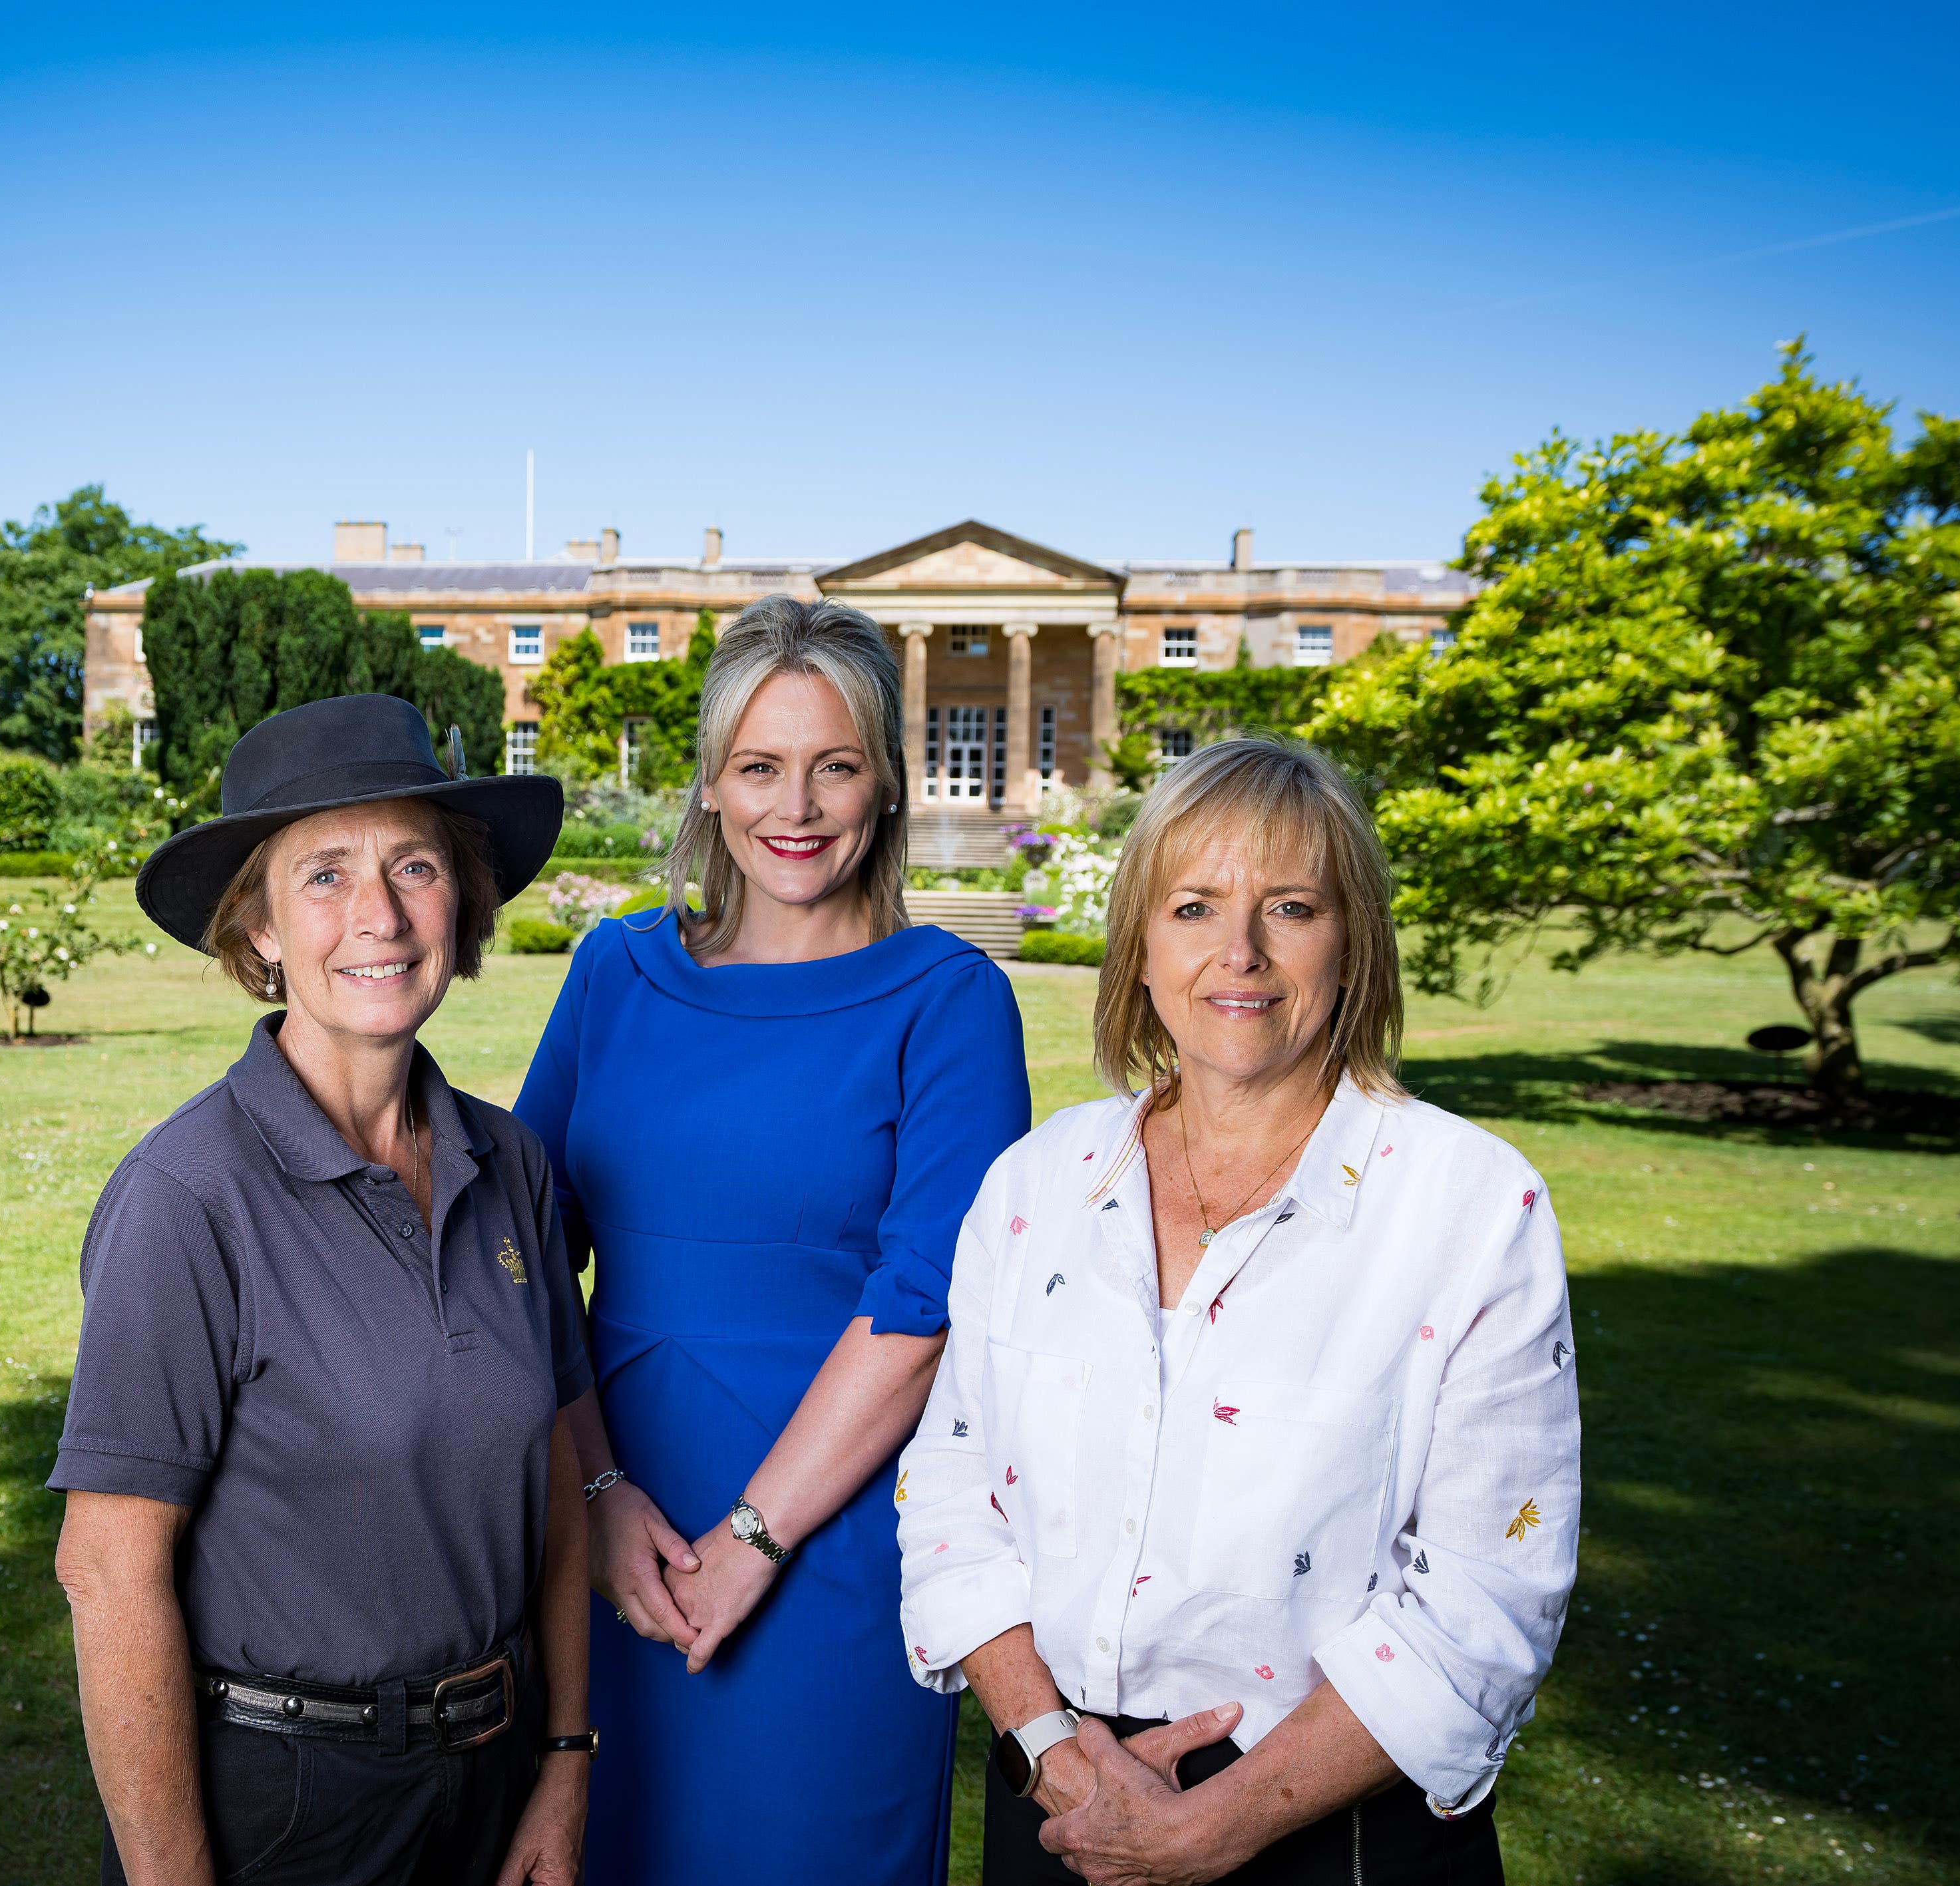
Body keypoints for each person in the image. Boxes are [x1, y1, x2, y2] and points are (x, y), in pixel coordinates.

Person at [896, 737, 1583, 1884]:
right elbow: (951, 1488)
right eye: (1197, 905)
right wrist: (1053, 1751)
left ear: (1351, 938)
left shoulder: (1469, 1204)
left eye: (1294, 907)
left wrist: (1218, 1825)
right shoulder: (1038, 1181)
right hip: (1056, 1796)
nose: (1242, 953)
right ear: (1143, 947)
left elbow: (1486, 1593)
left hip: (1338, 1829)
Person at [513, 596, 1030, 1886]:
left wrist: (752, 1539)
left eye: (833, 763)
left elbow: (922, 1302)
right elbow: (518, 1251)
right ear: (709, 780)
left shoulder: (949, 999)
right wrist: (596, 1496)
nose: (793, 805)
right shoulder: (614, 971)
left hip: (830, 1552)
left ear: (886, 783)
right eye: (758, 765)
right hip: (603, 1531)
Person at [51, 694, 598, 1886]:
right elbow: (107, 1570)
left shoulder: (510, 1163)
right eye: (325, 875)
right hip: (284, 1807)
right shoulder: (186, 1196)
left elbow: (552, 1480)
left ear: (464, 901)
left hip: (495, 1780)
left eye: (415, 864)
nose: (380, 916)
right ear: (255, 932)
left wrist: (563, 1760)